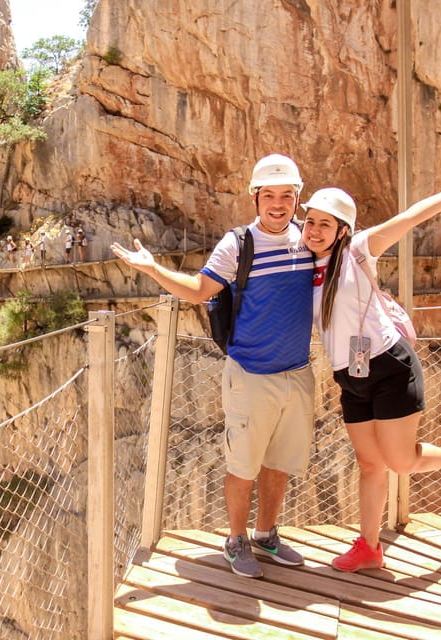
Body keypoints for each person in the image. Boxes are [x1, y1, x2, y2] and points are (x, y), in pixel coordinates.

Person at [111, 154, 315, 578]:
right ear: (255, 198)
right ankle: (236, 539)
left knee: (278, 464)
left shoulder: (307, 240)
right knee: (243, 465)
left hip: (297, 372)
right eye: (269, 196)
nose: (278, 204)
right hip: (251, 374)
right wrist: (153, 269)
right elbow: (199, 289)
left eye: (287, 196)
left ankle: (266, 535)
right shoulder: (239, 244)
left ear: (298, 199)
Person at [300, 157, 441, 573]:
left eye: (324, 223)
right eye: (310, 222)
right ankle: (369, 547)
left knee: (400, 462)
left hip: (389, 366)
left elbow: (408, 219)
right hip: (350, 375)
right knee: (370, 464)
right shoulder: (304, 265)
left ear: (343, 230)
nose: (314, 230)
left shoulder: (357, 250)